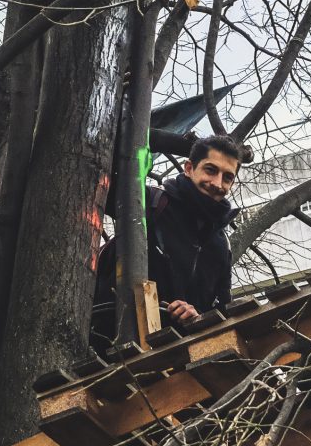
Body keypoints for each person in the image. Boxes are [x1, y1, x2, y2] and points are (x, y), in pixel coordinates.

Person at [93, 134, 246, 348]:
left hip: (176, 359)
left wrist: (196, 317)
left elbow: (221, 316)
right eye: (210, 170)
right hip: (111, 347)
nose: (217, 183)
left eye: (227, 177)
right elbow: (96, 175)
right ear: (189, 168)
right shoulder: (151, 203)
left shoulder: (221, 246)